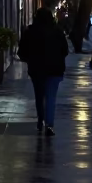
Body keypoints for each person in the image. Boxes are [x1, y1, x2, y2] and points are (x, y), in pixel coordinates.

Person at [17, 7, 70, 136]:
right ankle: (50, 124)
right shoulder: (58, 31)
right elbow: (65, 50)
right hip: (55, 70)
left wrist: (30, 59)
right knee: (51, 97)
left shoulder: (30, 32)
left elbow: (22, 52)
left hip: (37, 70)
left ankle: (41, 120)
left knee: (39, 96)